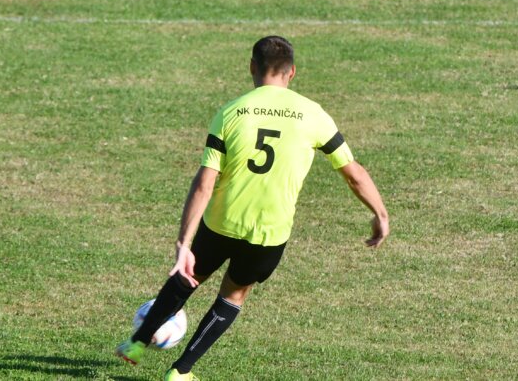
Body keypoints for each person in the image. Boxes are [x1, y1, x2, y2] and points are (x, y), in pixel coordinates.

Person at [115, 35, 390, 381]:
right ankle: (181, 372)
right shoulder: (314, 115)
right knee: (234, 293)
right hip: (269, 233)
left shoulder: (231, 112)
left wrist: (184, 243)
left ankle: (138, 343)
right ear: (292, 73)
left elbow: (205, 182)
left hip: (222, 221)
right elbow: (354, 174)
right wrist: (379, 213)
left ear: (251, 68)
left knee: (188, 276)